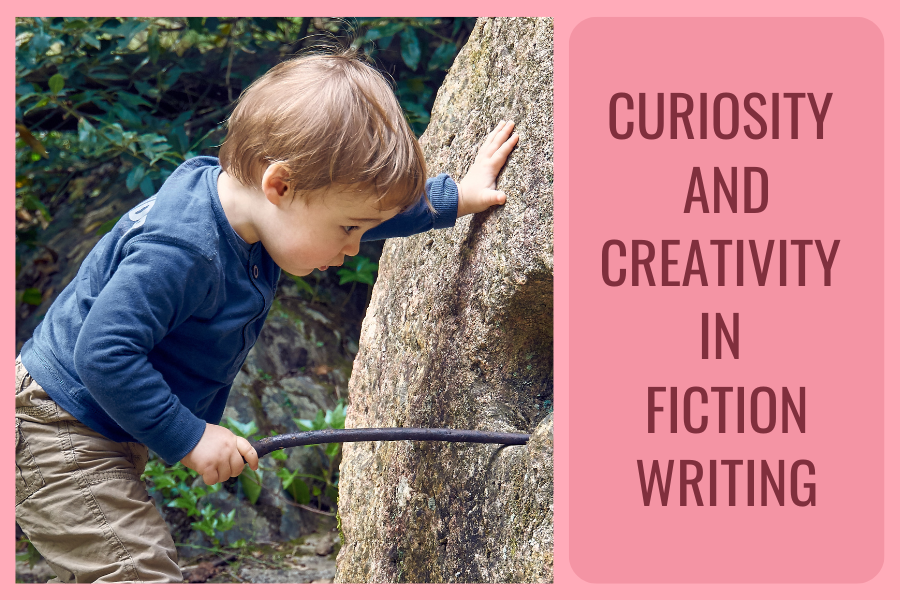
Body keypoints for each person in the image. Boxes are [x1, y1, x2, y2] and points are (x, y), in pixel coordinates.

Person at [14, 49, 519, 583]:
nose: (355, 246)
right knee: (138, 575)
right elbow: (102, 352)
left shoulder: (253, 208)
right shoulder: (183, 250)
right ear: (279, 185)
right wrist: (189, 437)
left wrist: (457, 196)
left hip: (96, 425)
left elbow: (367, 212)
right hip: (57, 429)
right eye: (348, 230)